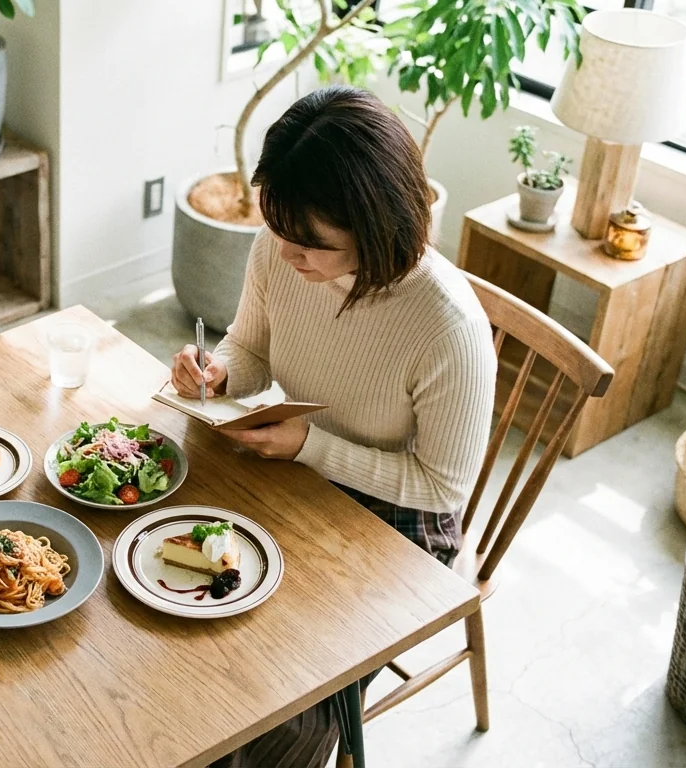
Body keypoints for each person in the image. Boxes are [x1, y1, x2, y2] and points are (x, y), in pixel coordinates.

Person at [173, 86, 496, 767]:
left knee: (277, 701)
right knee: (180, 606)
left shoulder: (447, 325)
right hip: (305, 467)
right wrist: (220, 372)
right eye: (277, 228)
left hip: (402, 521)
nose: (285, 254)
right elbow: (251, 345)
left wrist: (310, 446)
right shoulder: (278, 250)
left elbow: (442, 489)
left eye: (310, 242)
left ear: (376, 222)